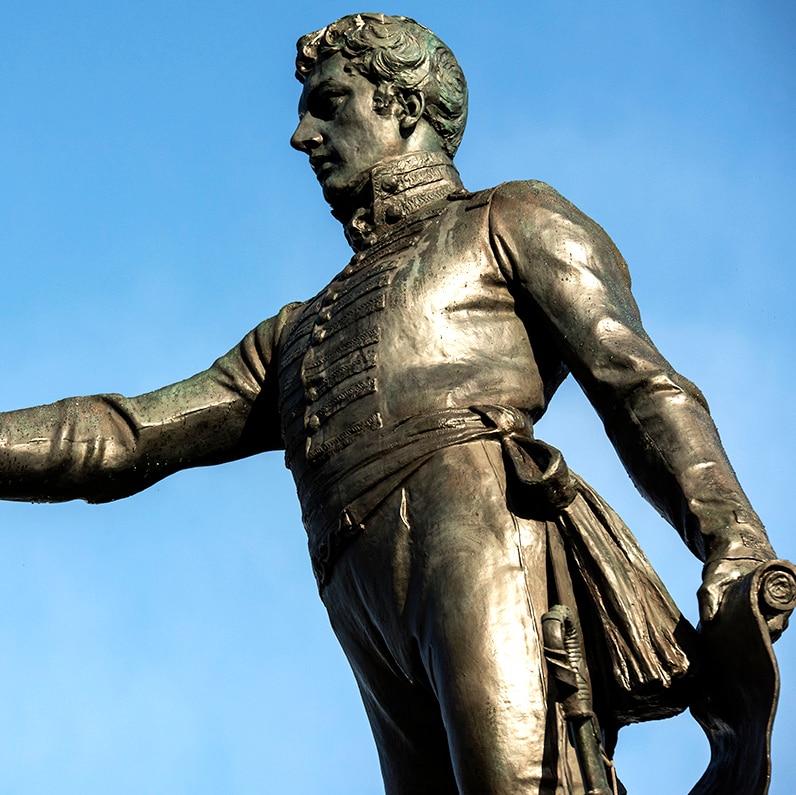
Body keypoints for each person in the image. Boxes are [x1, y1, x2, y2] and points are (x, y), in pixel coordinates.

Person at [0, 13, 783, 794]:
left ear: (402, 105)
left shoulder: (505, 219)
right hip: (359, 596)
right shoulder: (293, 334)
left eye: (329, 104)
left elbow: (638, 382)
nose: (302, 136)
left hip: (478, 530)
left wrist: (733, 534)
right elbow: (122, 433)